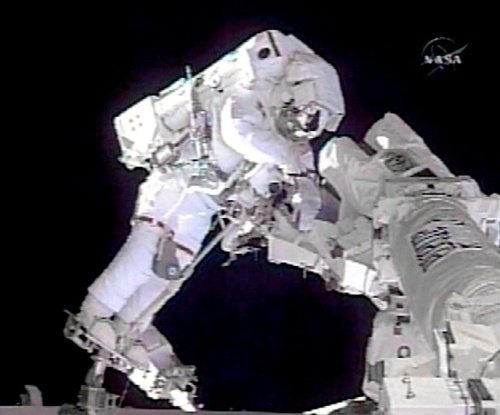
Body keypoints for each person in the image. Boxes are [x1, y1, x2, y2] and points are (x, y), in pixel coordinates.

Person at [74, 29, 345, 398]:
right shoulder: (245, 96)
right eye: (304, 115)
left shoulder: (288, 142)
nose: (303, 127)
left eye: (311, 123)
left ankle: (126, 325)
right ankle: (94, 312)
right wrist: (292, 167)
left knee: (174, 270)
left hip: (203, 205)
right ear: (293, 94)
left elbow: (282, 179)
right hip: (177, 185)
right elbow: (240, 135)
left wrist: (296, 198)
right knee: (147, 250)